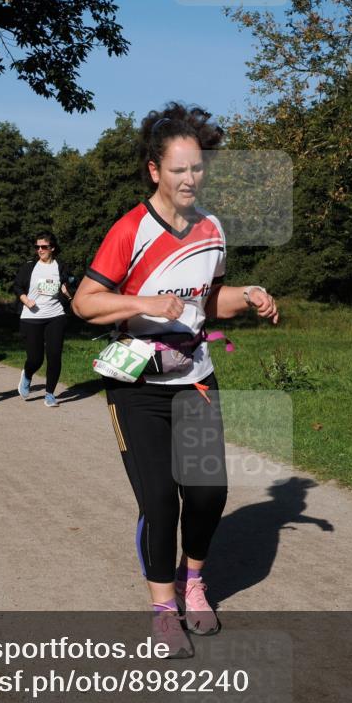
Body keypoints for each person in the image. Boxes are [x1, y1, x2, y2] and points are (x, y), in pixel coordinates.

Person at [72, 103, 278, 657]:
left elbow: (210, 300)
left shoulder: (212, 230)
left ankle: (194, 583)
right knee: (160, 501)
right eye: (179, 168)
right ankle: (164, 609)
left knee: (208, 493)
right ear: (155, 170)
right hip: (137, 386)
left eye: (198, 168)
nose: (190, 178)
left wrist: (250, 295)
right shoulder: (131, 229)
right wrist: (144, 302)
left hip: (196, 378)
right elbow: (85, 302)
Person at [13, 233, 74, 407]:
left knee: (54, 355)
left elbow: (70, 287)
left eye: (44, 247)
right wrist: (25, 300)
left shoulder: (61, 267)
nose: (40, 250)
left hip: (55, 315)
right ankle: (27, 374)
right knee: (35, 358)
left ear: (52, 248)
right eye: (37, 247)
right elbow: (17, 286)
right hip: (31, 317)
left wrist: (67, 292)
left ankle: (50, 393)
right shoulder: (29, 267)